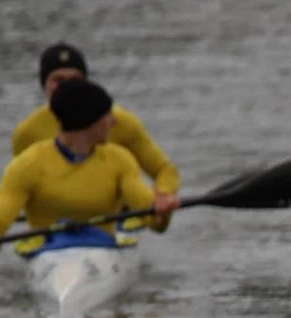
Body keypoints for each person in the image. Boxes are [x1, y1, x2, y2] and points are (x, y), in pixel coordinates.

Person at [0, 78, 181, 254]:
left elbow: (152, 220)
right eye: (107, 115)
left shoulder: (119, 160)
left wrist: (161, 210)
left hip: (103, 248)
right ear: (88, 120)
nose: (113, 122)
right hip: (47, 251)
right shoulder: (28, 164)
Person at [11, 42, 180, 215]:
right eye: (58, 80)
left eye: (75, 80)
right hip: (54, 225)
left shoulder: (121, 122)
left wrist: (164, 194)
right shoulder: (27, 132)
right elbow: (20, 188)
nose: (66, 87)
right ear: (44, 85)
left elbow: (164, 170)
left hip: (114, 217)